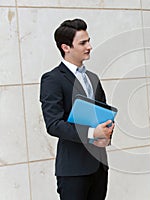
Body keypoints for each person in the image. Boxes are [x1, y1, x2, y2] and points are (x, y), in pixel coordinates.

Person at [40, 18, 114, 200]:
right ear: (66, 47)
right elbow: (54, 124)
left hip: (99, 165)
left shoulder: (93, 78)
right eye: (83, 43)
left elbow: (103, 115)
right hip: (73, 169)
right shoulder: (52, 79)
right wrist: (92, 133)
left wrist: (107, 135)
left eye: (88, 41)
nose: (89, 46)